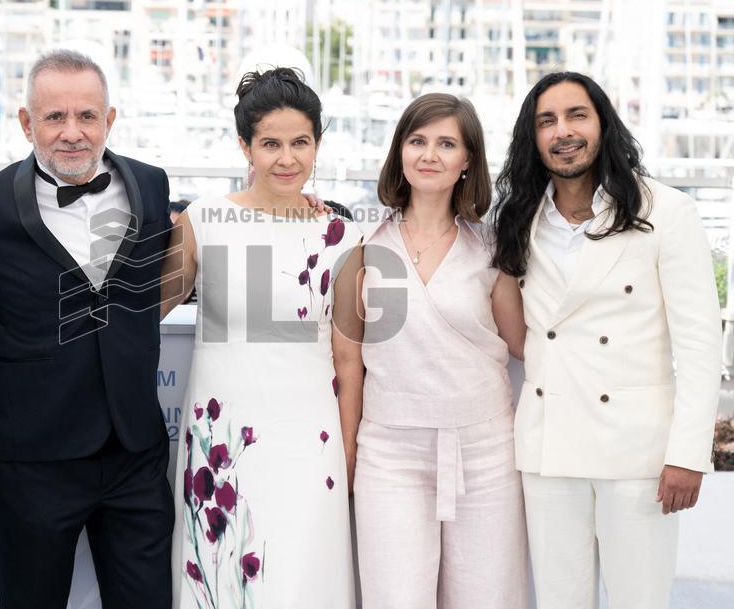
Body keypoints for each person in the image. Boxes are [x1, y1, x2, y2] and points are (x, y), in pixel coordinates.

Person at [491, 71, 722, 609]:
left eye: (577, 115)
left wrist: (688, 454)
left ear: (603, 125)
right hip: (549, 447)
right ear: (533, 137)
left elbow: (698, 345)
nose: (562, 131)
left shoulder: (666, 211)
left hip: (638, 454)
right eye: (546, 121)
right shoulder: (521, 218)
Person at [0, 50, 174, 609]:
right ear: (27, 123)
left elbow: (199, 249)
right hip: (35, 459)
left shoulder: (151, 186)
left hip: (136, 452)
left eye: (87, 116)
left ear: (110, 120)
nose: (72, 133)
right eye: (55, 117)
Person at [161, 67, 364, 609]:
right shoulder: (202, 220)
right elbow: (144, 310)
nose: (287, 158)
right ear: (245, 147)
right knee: (223, 586)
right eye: (270, 144)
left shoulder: (341, 234)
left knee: (303, 585)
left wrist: (346, 459)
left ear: (318, 144)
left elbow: (348, 359)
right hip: (224, 447)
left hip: (310, 446)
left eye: (300, 142)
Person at [345, 93, 528, 608]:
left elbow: (523, 344)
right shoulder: (360, 242)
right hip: (390, 454)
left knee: (486, 597)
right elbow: (348, 360)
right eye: (418, 140)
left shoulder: (494, 248)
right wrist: (349, 451)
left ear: (468, 159)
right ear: (399, 152)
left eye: (447, 143)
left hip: (487, 451)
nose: (430, 154)